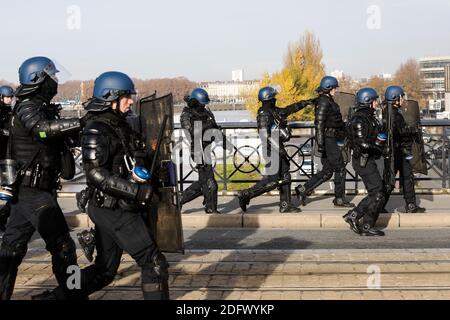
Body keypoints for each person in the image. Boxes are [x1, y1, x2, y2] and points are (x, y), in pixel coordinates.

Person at [33, 71, 169, 300]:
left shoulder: (120, 125)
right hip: (113, 208)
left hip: (113, 206)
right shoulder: (97, 129)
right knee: (154, 263)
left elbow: (128, 159)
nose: (130, 101)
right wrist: (136, 191)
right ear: (110, 98)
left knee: (103, 271)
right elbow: (96, 174)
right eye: (125, 96)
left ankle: (54, 298)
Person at [0, 56, 83, 300]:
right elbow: (42, 129)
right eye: (52, 76)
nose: (55, 81)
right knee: (64, 248)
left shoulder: (41, 106)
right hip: (33, 191)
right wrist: (80, 122)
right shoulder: (27, 106)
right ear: (38, 79)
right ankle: (75, 294)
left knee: (11, 249)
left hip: (32, 190)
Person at [238, 86, 310, 213]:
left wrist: (303, 103)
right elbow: (264, 135)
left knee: (285, 175)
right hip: (271, 149)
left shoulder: (273, 110)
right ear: (269, 99)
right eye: (274, 97)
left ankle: (285, 205)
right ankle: (246, 194)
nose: (275, 99)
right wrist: (278, 149)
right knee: (272, 180)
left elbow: (288, 110)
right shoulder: (264, 113)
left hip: (277, 147)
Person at [295, 76, 354, 208]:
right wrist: (321, 144)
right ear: (328, 88)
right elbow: (319, 123)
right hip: (328, 139)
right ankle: (339, 199)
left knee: (327, 171)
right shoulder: (323, 102)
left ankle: (303, 189)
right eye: (334, 88)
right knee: (340, 168)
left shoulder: (327, 100)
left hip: (329, 138)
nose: (335, 90)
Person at [343, 88, 386, 236]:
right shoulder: (359, 119)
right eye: (374, 100)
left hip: (368, 159)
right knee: (377, 193)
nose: (376, 103)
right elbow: (362, 144)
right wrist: (379, 149)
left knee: (377, 192)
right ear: (368, 101)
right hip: (363, 160)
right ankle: (355, 217)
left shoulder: (369, 116)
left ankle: (363, 223)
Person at [179, 88, 225, 214]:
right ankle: (211, 208)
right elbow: (192, 133)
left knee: (203, 182)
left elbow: (215, 128)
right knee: (210, 183)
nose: (204, 106)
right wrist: (208, 129)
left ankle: (180, 200)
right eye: (202, 103)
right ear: (195, 102)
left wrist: (224, 140)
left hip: (207, 149)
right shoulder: (187, 114)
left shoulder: (207, 113)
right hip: (198, 150)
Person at [382, 86, 425, 213]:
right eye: (401, 97)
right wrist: (413, 130)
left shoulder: (390, 111)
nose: (403, 100)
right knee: (390, 181)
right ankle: (378, 205)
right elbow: (399, 131)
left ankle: (411, 204)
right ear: (395, 98)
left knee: (407, 177)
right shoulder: (392, 114)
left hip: (399, 150)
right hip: (396, 151)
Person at [0, 85, 14, 238]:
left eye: (11, 97)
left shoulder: (11, 111)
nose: (9, 100)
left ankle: (2, 218)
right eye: (7, 97)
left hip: (8, 156)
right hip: (2, 155)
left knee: (10, 190)